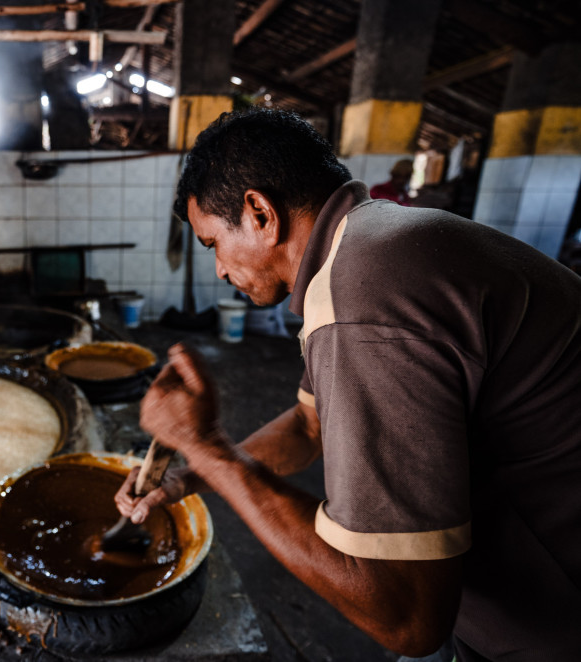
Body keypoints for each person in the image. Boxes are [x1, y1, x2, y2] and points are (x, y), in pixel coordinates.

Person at [115, 108, 581, 661]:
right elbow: (309, 425)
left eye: (213, 242)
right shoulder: (368, 244)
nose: (218, 269)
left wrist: (209, 448)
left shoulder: (365, 298)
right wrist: (186, 479)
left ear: (260, 213)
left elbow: (407, 616)